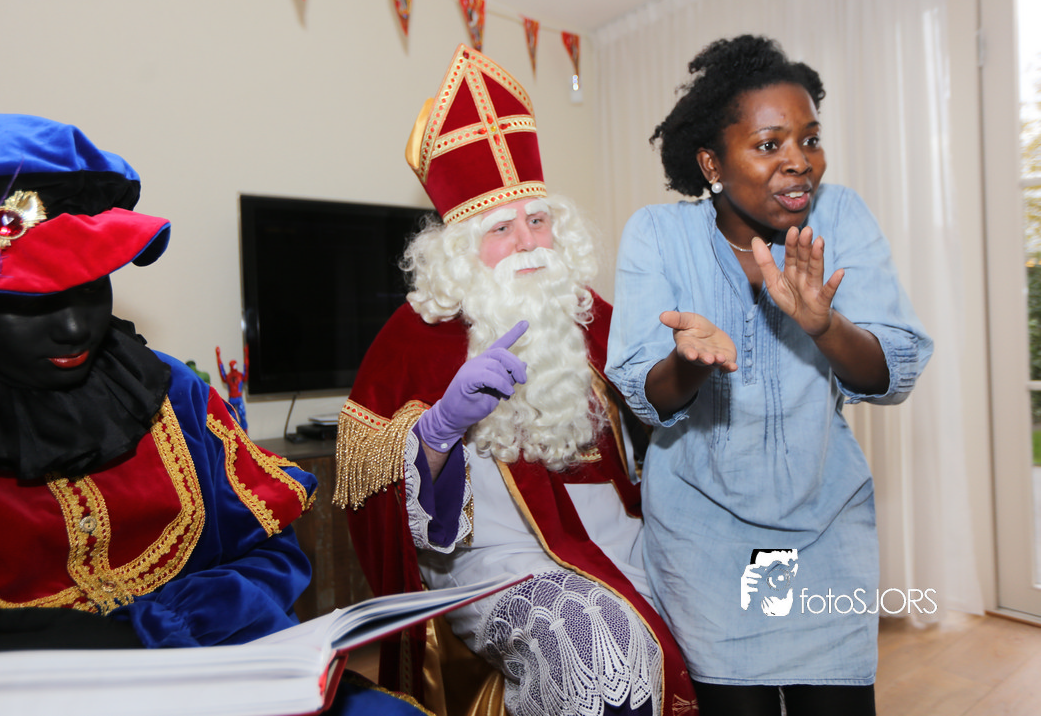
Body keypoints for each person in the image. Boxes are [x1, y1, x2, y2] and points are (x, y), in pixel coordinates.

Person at [0, 113, 428, 715]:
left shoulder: (172, 392)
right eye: (31, 299)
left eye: (91, 286)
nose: (72, 327)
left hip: (227, 677)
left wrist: (149, 633)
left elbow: (273, 553)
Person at [334, 45, 698, 716]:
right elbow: (380, 512)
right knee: (595, 646)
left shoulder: (588, 312)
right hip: (493, 559)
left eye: (538, 220)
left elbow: (661, 424)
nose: (529, 242)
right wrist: (438, 428)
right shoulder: (412, 339)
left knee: (735, 593)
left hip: (618, 537)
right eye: (502, 228)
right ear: (460, 251)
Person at [605, 35, 934, 716]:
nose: (799, 161)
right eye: (768, 144)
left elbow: (892, 369)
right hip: (707, 537)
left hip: (824, 525)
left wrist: (825, 325)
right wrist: (688, 362)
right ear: (711, 162)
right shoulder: (658, 234)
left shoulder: (841, 215)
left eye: (810, 139)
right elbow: (643, 392)